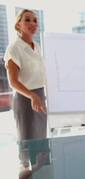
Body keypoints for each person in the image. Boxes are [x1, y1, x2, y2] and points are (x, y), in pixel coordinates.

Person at [4, 9, 47, 141]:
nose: (32, 23)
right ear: (18, 25)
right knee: (27, 140)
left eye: (35, 20)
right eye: (27, 20)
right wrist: (32, 95)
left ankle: (41, 163)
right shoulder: (14, 48)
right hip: (25, 98)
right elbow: (13, 82)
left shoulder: (37, 47)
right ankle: (25, 163)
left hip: (40, 96)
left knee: (41, 138)